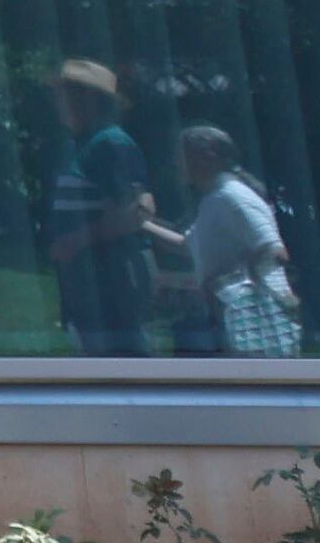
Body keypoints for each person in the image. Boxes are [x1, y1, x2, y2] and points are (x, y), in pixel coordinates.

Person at [159, 124, 301, 357]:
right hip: (227, 319)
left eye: (182, 156)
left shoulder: (231, 196)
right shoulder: (215, 199)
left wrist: (228, 283)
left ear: (205, 158)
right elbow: (186, 245)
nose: (178, 164)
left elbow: (275, 251)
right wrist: (142, 224)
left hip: (249, 318)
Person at [46, 61, 158, 355]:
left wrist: (76, 240)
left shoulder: (110, 143)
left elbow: (137, 210)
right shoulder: (80, 144)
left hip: (112, 279)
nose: (58, 102)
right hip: (87, 280)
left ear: (88, 98)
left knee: (122, 364)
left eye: (65, 94)